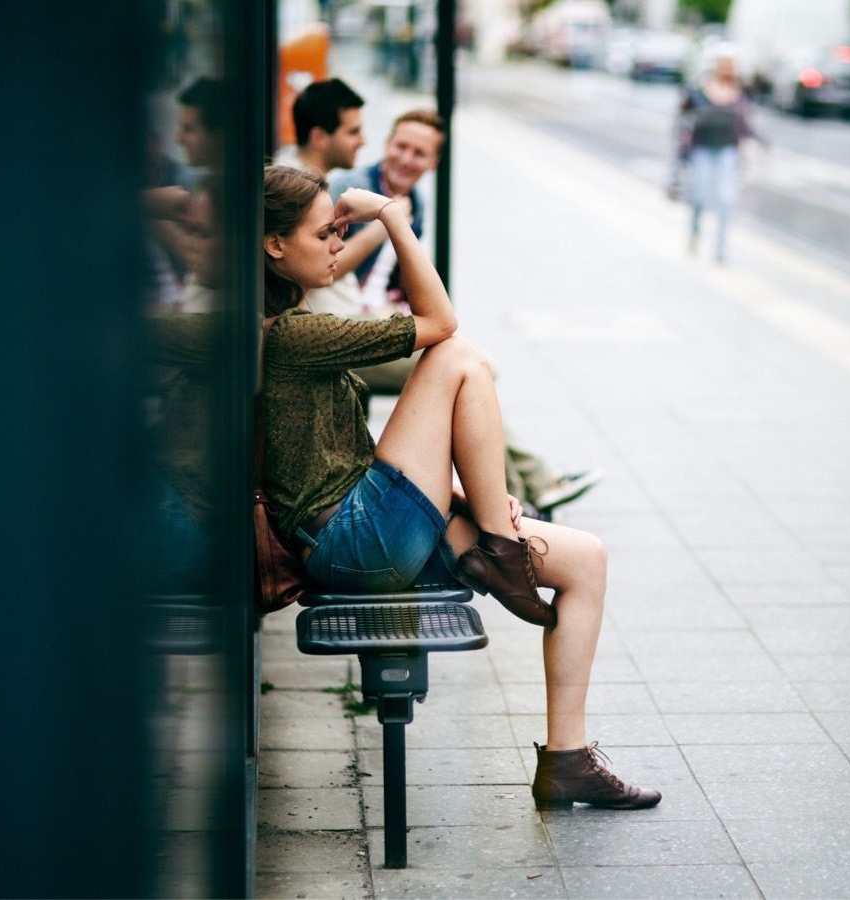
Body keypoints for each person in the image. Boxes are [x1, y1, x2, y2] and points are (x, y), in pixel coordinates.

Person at [260, 163, 660, 810]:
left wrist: (468, 495)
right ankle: (500, 548)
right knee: (457, 355)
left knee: (586, 559)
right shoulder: (295, 337)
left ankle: (568, 759)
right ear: (274, 246)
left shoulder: (297, 327)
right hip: (352, 541)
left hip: (374, 527)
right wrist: (391, 215)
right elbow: (440, 322)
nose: (338, 245)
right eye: (323, 235)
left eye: (338, 232)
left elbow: (364, 454)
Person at [285, 80, 603, 518]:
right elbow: (331, 269)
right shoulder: (350, 191)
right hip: (341, 329)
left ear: (434, 163)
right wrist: (387, 221)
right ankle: (514, 502)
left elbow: (394, 284)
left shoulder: (412, 201)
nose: (403, 158)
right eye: (396, 146)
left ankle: (525, 490)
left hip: (359, 320)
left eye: (419, 153)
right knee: (465, 368)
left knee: (467, 364)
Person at [680, 46, 758, 263]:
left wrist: (755, 141)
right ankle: (695, 232)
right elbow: (684, 116)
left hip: (728, 148)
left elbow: (746, 121)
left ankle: (720, 249)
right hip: (702, 147)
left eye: (730, 65)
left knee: (726, 198)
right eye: (723, 64)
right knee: (700, 194)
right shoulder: (700, 88)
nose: (726, 69)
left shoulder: (740, 91)